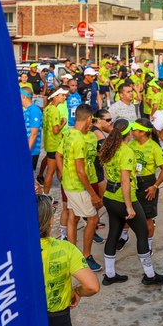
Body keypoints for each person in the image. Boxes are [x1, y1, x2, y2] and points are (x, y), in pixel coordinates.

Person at [37, 194, 100, 326]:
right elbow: (92, 286)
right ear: (50, 221)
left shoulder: (16, 251)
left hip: (26, 325)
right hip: (58, 325)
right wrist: (77, 292)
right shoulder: (65, 249)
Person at [98, 119, 162, 286]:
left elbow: (106, 172)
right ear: (127, 134)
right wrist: (129, 207)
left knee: (113, 234)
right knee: (142, 234)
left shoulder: (109, 147)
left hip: (109, 197)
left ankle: (110, 275)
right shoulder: (126, 151)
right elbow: (125, 181)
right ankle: (150, 275)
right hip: (123, 199)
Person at [60, 105, 104, 272]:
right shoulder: (79, 139)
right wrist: (93, 195)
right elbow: (80, 171)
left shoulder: (69, 133)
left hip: (68, 184)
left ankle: (72, 255)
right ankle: (85, 257)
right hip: (77, 187)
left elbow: (61, 156)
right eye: (91, 120)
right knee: (92, 219)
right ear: (87, 119)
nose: (91, 123)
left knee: (73, 216)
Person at [127, 118, 163, 253]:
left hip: (148, 184)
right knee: (128, 214)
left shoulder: (154, 147)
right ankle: (124, 236)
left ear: (143, 132)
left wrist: (155, 186)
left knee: (147, 218)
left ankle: (148, 245)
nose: (132, 132)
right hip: (132, 182)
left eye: (135, 130)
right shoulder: (130, 145)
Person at [42, 88, 68, 196]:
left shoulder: (47, 108)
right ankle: (46, 196)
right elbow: (56, 130)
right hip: (55, 145)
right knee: (51, 172)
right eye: (62, 95)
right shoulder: (55, 110)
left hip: (49, 143)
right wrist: (63, 123)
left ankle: (66, 194)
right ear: (55, 96)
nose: (64, 97)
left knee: (59, 171)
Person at [21, 88, 43, 171]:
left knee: (29, 179)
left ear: (24, 97)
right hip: (27, 150)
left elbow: (34, 133)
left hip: (31, 152)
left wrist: (26, 151)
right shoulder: (27, 110)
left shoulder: (34, 111)